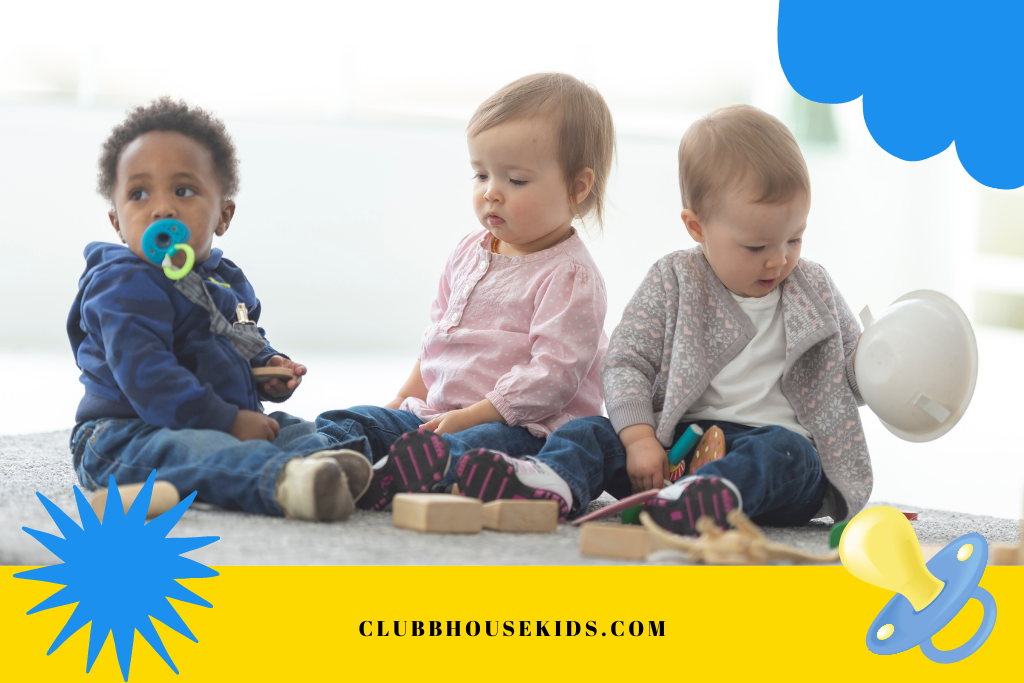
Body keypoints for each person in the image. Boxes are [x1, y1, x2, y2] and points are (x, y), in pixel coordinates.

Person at [316, 73, 615, 520]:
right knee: (350, 420)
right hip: (434, 414)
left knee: (478, 450)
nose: (491, 192)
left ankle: (406, 475)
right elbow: (438, 337)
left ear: (577, 187)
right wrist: (400, 401)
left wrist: (472, 416)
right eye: (481, 173)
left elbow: (553, 378)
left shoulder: (569, 276)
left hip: (521, 427)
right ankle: (329, 464)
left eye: (515, 180)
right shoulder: (467, 251)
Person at [565, 104, 871, 534]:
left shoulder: (813, 286)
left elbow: (853, 376)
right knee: (588, 433)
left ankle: (702, 498)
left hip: (774, 456)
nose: (779, 259)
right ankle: (548, 482)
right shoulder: (674, 279)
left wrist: (883, 362)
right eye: (755, 247)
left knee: (790, 453)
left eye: (794, 238)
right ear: (697, 227)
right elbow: (624, 361)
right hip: (676, 453)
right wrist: (639, 440)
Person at [68, 98, 370, 522]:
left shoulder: (225, 279)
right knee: (201, 452)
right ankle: (287, 483)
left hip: (207, 419)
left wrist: (267, 365)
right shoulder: (122, 284)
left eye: (183, 190)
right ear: (117, 221)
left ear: (222, 215)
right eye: (139, 194)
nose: (162, 208)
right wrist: (228, 421)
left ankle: (325, 465)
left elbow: (241, 340)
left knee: (293, 427)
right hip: (125, 436)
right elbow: (149, 377)